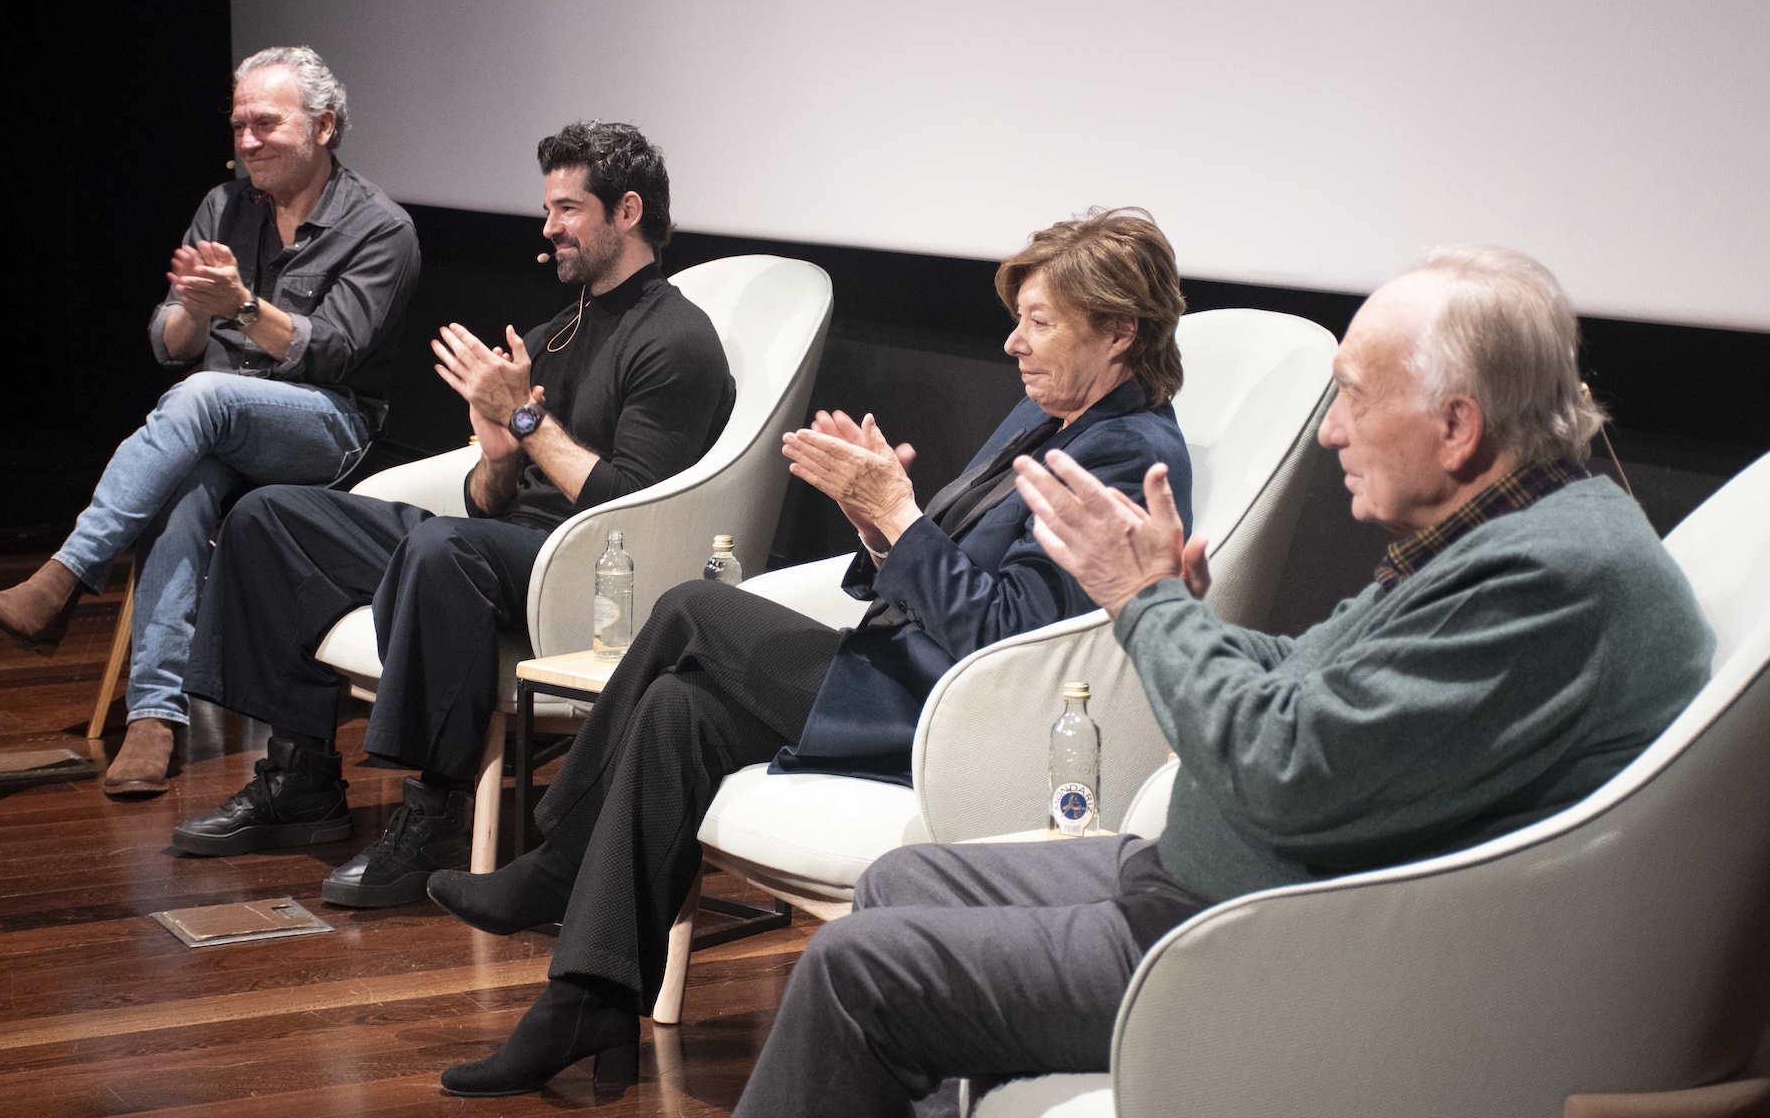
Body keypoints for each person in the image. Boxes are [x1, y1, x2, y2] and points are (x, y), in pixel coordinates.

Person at [732, 246, 1716, 1118]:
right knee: (904, 877)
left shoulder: (1544, 578)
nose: (1330, 431)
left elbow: (1278, 761)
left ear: (1455, 425)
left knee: (857, 969)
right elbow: (1305, 675)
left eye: (1355, 396)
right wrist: (1173, 611)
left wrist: (1146, 603)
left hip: (1273, 943)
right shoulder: (1494, 532)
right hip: (1218, 883)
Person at [424, 206, 1197, 1099]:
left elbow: (1007, 634)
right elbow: (935, 572)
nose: (1015, 342)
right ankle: (585, 1000)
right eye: (1018, 317)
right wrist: (879, 527)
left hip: (954, 718)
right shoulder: (1047, 416)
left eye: (1041, 321)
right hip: (899, 672)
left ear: (1120, 330)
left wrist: (903, 515)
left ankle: (555, 861)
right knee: (677, 713)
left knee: (692, 609)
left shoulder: (1130, 453)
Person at [169, 121, 737, 911]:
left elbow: (623, 511)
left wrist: (530, 426)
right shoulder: (550, 335)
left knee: (444, 551)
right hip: (504, 546)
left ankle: (436, 811)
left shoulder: (677, 341)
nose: (549, 229)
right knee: (271, 518)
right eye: (548, 209)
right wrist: (499, 450)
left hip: (593, 569)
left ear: (628, 211)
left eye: (568, 209)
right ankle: (301, 780)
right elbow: (483, 504)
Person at [0, 47, 422, 797]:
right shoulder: (224, 205)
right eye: (238, 125)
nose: (247, 142)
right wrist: (194, 316)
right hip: (214, 418)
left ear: (324, 126)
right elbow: (168, 344)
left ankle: (65, 578)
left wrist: (239, 306)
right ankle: (154, 718)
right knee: (185, 481)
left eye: (265, 124)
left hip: (329, 427)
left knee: (202, 402)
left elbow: (333, 355)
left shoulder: (381, 228)